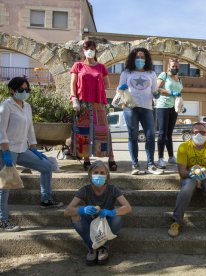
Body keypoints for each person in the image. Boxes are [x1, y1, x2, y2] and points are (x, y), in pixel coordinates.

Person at [0, 77, 63, 231]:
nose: (24, 92)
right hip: (8, 150)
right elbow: (1, 130)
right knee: (5, 186)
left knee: (46, 167)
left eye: (27, 90)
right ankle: (3, 220)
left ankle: (46, 199)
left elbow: (29, 128)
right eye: (21, 90)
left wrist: (34, 147)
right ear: (12, 90)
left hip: (23, 148)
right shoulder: (6, 106)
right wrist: (5, 151)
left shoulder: (26, 106)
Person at [64, 160, 132, 265]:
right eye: (95, 173)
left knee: (119, 216)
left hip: (106, 222)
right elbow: (67, 211)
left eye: (102, 173)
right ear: (90, 175)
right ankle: (92, 248)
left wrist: (111, 212)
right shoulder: (85, 190)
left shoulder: (112, 189)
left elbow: (127, 207)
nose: (99, 175)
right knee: (74, 215)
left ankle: (103, 248)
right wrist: (82, 210)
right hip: (90, 222)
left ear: (107, 175)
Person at [168, 122, 206, 238]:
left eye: (202, 132)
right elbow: (182, 173)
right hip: (189, 177)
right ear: (191, 134)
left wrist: (201, 176)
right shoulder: (183, 147)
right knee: (186, 189)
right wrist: (195, 175)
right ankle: (176, 221)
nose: (199, 134)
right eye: (196, 132)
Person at [70, 40, 117, 171]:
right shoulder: (77, 66)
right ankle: (86, 159)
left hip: (98, 104)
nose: (89, 50)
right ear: (83, 51)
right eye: (87, 48)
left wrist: (97, 89)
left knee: (103, 131)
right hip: (82, 103)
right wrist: (74, 98)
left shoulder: (101, 67)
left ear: (95, 50)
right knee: (84, 132)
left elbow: (107, 84)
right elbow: (72, 84)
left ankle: (111, 158)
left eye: (92, 48)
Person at [117, 47, 163, 175]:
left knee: (150, 135)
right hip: (130, 108)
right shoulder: (126, 72)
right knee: (133, 136)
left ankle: (150, 165)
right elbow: (119, 90)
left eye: (142, 57)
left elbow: (154, 91)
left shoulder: (151, 73)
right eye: (137, 57)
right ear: (133, 58)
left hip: (147, 107)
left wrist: (157, 95)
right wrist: (122, 88)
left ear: (146, 59)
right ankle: (135, 165)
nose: (140, 59)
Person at [156, 58, 183, 169]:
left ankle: (171, 157)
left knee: (169, 133)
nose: (174, 68)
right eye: (173, 66)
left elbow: (179, 93)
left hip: (173, 108)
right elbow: (157, 89)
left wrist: (181, 104)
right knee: (162, 132)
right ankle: (160, 158)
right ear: (168, 67)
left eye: (176, 66)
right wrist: (171, 93)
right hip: (162, 106)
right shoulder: (164, 75)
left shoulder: (179, 79)